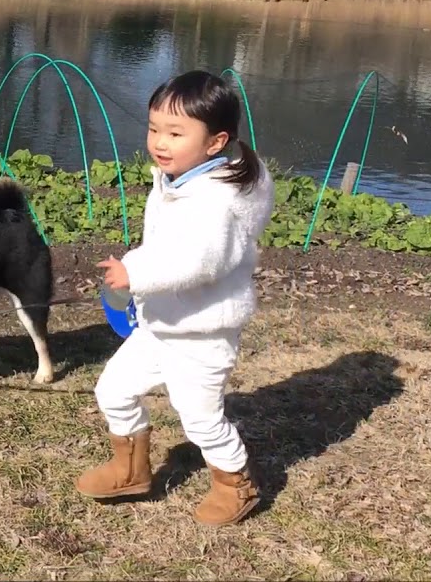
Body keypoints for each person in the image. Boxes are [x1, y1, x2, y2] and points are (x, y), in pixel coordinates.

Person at [76, 69, 276, 526]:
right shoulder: (179, 178)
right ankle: (130, 469)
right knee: (113, 390)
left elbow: (200, 261)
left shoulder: (215, 201)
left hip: (202, 333)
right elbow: (167, 246)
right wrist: (135, 270)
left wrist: (136, 273)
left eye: (175, 133)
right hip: (161, 323)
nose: (159, 143)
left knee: (200, 418)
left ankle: (236, 484)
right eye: (154, 129)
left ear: (215, 142)